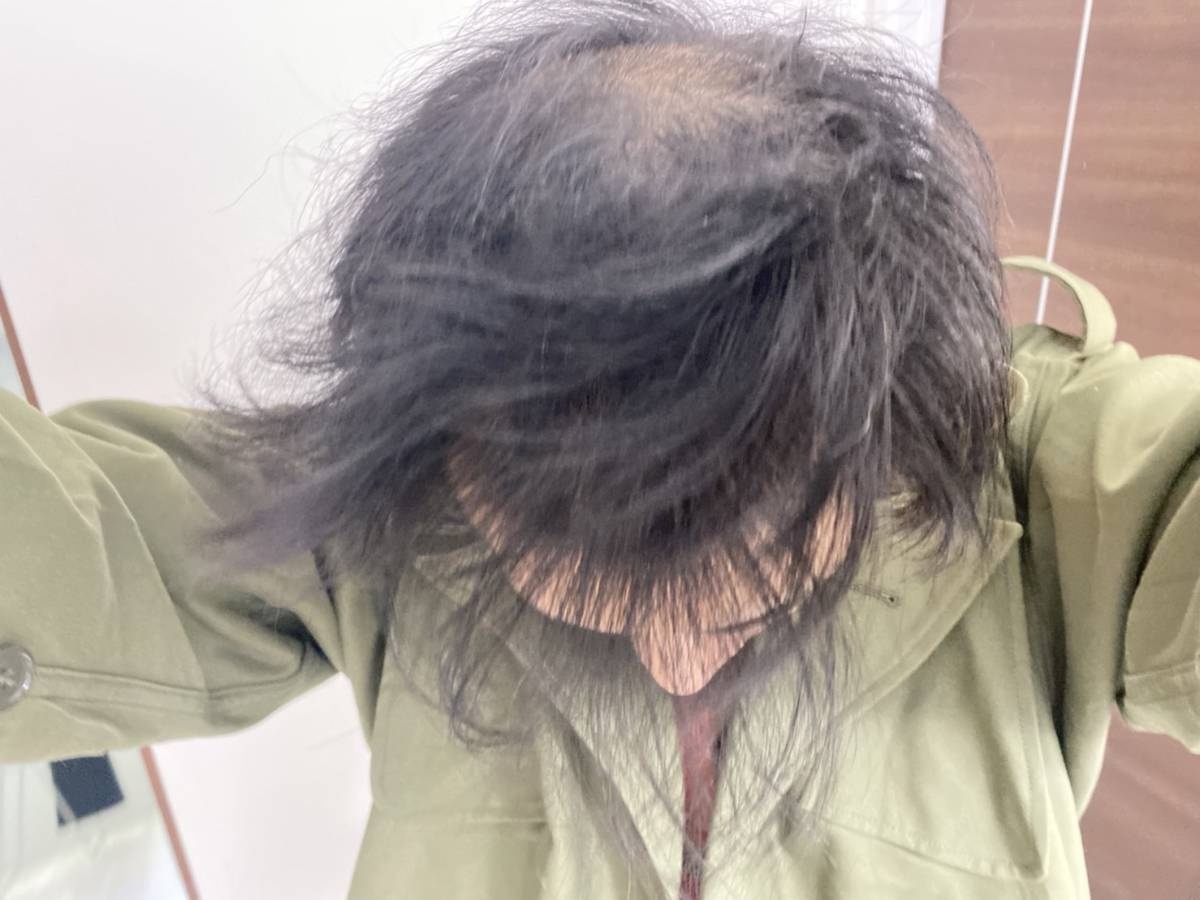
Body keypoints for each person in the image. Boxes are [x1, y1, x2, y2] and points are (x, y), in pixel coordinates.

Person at [1, 2, 1197, 898]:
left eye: (753, 561)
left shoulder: (1049, 474)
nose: (677, 656)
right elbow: (78, 547)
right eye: (593, 575)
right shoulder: (406, 486)